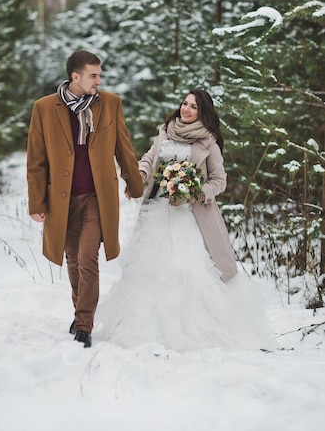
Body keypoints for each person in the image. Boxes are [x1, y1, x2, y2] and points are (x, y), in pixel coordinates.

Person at [96, 89, 276, 352]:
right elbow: (149, 159)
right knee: (149, 270)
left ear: (203, 113)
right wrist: (140, 173)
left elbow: (219, 181)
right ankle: (146, 331)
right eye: (184, 103)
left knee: (189, 272)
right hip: (157, 211)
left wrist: (195, 191)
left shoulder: (208, 143)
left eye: (193, 107)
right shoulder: (166, 131)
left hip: (191, 218)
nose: (186, 109)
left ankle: (196, 331)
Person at [26, 50, 143, 348]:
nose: (99, 80)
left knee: (88, 257)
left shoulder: (110, 104)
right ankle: (81, 313)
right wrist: (37, 203)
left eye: (99, 74)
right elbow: (36, 160)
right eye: (93, 75)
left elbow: (123, 147)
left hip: (96, 196)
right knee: (73, 260)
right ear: (75, 77)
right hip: (61, 200)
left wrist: (134, 182)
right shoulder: (44, 108)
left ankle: (84, 325)